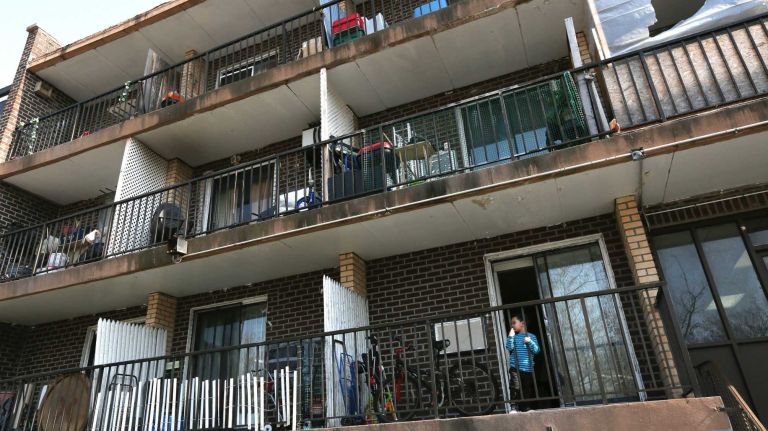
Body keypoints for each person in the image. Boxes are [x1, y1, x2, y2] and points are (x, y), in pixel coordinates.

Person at [506, 315, 540, 412]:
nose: (512, 325)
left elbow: (537, 350)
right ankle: (513, 407)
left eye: (514, 323)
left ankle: (525, 407)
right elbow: (509, 347)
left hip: (527, 368)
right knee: (515, 386)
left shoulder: (532, 336)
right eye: (511, 324)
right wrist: (510, 336)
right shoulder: (514, 337)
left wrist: (530, 342)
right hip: (515, 367)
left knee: (526, 388)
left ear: (522, 323)